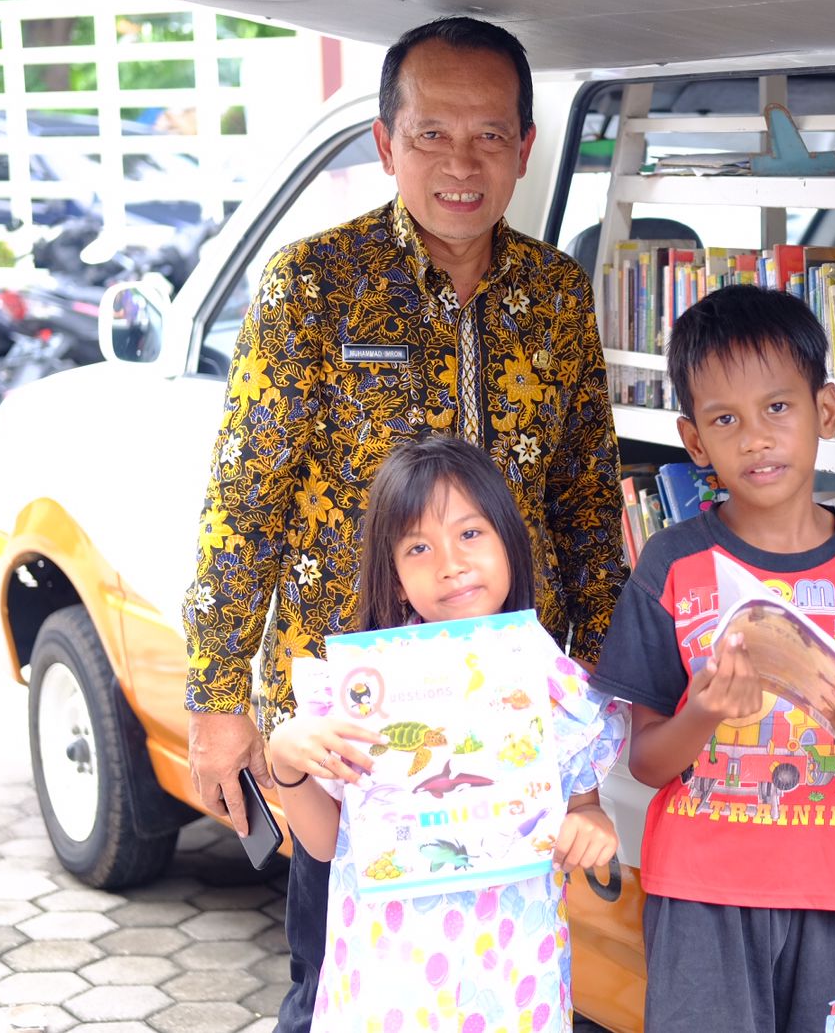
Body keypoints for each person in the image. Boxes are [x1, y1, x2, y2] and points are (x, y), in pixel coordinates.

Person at [181, 16, 626, 1033]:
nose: (460, 164)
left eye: (487, 136)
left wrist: (600, 695)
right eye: (432, 134)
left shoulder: (556, 297)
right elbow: (242, 505)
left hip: (507, 729)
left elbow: (586, 505)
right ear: (387, 144)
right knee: (338, 984)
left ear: (523, 147)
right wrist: (216, 700)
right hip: (355, 741)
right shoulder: (308, 289)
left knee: (492, 983)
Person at [589, 284, 835, 1033]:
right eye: (725, 420)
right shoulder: (673, 565)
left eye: (778, 407)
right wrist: (704, 711)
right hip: (699, 890)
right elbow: (645, 760)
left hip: (830, 891)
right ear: (693, 441)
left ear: (826, 411)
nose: (755, 438)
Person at [266, 436, 623, 1032]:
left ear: (510, 539)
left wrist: (591, 825)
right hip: (388, 978)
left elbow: (583, 806)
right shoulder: (363, 690)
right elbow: (327, 844)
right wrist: (287, 760)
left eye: (470, 534)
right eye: (418, 547)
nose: (451, 564)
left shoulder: (548, 679)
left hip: (513, 971)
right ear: (396, 576)